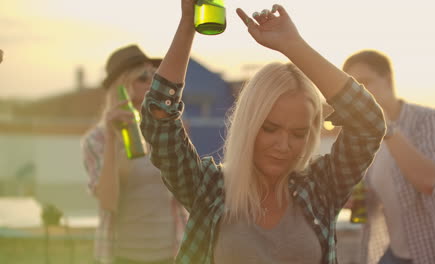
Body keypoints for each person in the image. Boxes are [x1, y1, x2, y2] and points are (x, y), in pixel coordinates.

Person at [140, 1, 385, 263]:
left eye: (298, 133)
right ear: (249, 124)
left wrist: (293, 45)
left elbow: (368, 123)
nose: (283, 145)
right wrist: (188, 24)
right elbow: (159, 122)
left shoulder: (322, 188)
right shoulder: (209, 189)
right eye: (270, 128)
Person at [342, 50, 435, 264]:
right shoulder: (362, 137)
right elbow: (362, 209)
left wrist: (385, 126)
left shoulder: (430, 120)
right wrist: (349, 199)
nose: (359, 92)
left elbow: (429, 182)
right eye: (352, 86)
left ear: (388, 80)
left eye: (365, 82)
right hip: (395, 255)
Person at [81, 44, 187, 264]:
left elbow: (187, 189)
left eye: (155, 76)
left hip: (173, 253)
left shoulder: (168, 130)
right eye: (143, 77)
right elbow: (108, 202)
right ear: (122, 85)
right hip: (124, 255)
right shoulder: (96, 140)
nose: (152, 82)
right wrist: (113, 139)